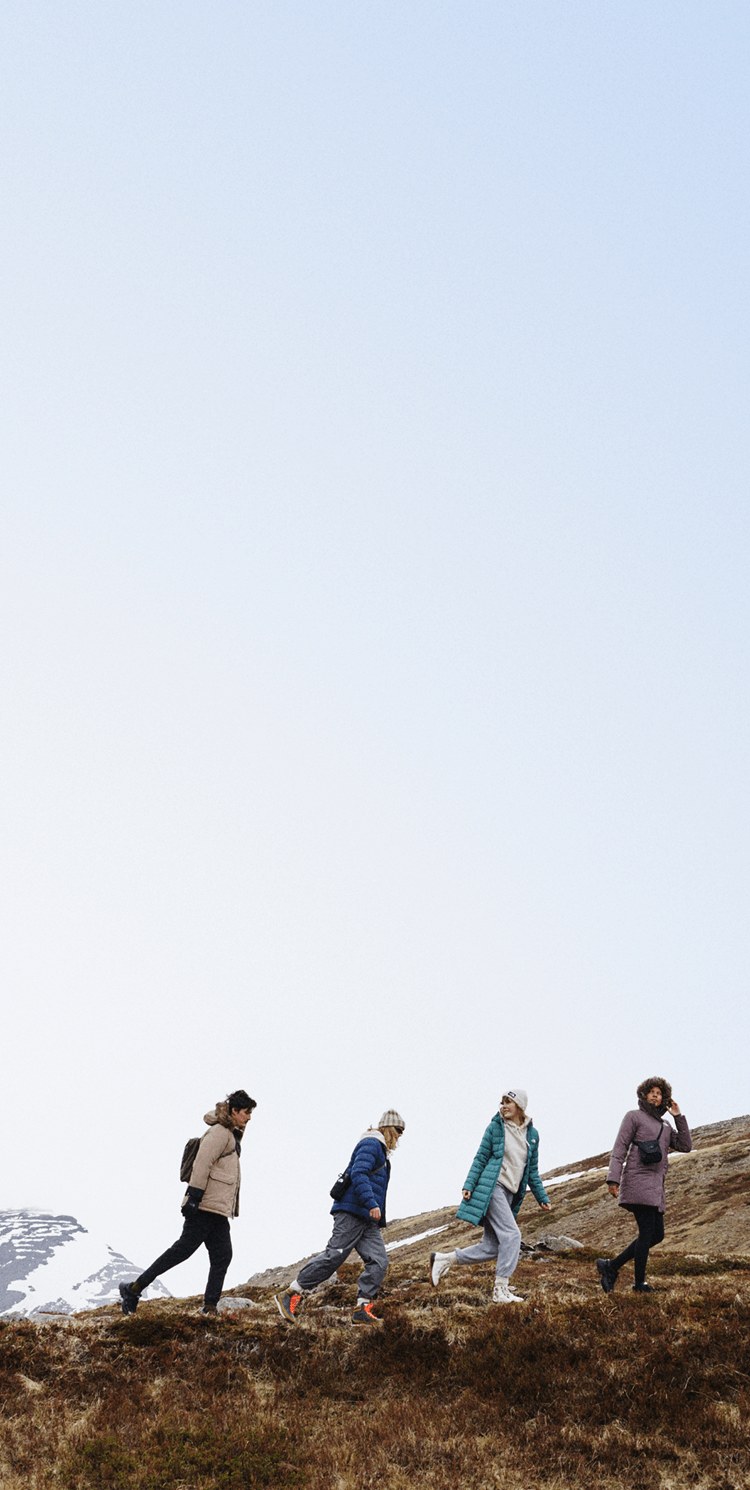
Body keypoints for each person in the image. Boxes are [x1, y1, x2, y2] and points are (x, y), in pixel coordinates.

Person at [119, 1089, 256, 1316]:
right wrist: (193, 1197)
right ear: (234, 1111)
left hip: (217, 1211)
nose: (249, 1117)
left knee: (222, 1255)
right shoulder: (220, 1133)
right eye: (246, 1112)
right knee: (181, 1252)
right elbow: (202, 1163)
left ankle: (210, 1307)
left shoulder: (230, 1133)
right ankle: (134, 1289)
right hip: (203, 1207)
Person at [275, 1109, 406, 1327]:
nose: (400, 1137)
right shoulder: (371, 1144)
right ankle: (290, 1293)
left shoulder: (382, 1154)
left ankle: (362, 1308)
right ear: (388, 1129)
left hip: (367, 1220)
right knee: (333, 1256)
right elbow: (358, 1173)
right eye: (398, 1131)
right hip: (352, 1211)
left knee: (379, 1261)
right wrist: (371, 1204)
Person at [430, 1087, 551, 1304]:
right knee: (512, 1236)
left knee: (492, 1247)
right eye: (502, 1102)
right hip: (493, 1187)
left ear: (520, 1106)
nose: (503, 1106)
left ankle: (444, 1259)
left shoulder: (532, 1135)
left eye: (508, 1102)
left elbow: (531, 1170)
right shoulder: (496, 1128)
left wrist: (542, 1197)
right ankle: (500, 1289)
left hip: (511, 1194)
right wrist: (469, 1184)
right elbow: (481, 1157)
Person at [596, 1076, 691, 1294]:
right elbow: (620, 1147)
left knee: (657, 1235)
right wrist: (613, 1178)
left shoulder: (666, 1126)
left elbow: (686, 1145)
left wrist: (678, 1116)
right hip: (638, 1181)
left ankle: (611, 1266)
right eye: (652, 1092)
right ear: (644, 1094)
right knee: (647, 1231)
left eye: (659, 1093)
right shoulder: (634, 1117)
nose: (656, 1096)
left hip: (656, 1187)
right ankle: (639, 1284)